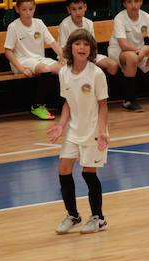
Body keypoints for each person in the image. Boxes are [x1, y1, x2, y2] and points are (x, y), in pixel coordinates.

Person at [48, 30, 110, 234]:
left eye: (86, 44)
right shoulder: (64, 72)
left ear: (91, 49)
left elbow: (103, 105)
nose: (82, 48)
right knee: (63, 169)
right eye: (77, 44)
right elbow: (67, 102)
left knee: (88, 173)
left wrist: (102, 131)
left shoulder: (96, 74)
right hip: (74, 129)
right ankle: (73, 215)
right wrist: (61, 125)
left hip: (93, 130)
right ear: (70, 48)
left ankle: (98, 218)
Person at [3, 0, 64, 120]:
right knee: (46, 69)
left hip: (39, 59)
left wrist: (63, 57)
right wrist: (21, 68)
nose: (28, 13)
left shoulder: (39, 23)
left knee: (63, 69)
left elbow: (52, 43)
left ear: (35, 8)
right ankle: (37, 105)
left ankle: (63, 103)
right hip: (22, 61)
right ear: (17, 10)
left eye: (30, 9)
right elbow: (8, 52)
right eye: (24, 10)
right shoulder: (13, 26)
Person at [57, 0, 119, 75]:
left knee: (113, 65)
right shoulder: (64, 25)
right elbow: (64, 50)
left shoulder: (89, 23)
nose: (77, 12)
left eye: (80, 8)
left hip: (88, 55)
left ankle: (105, 86)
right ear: (68, 10)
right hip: (70, 58)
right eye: (74, 9)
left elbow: (93, 46)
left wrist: (90, 58)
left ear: (85, 7)